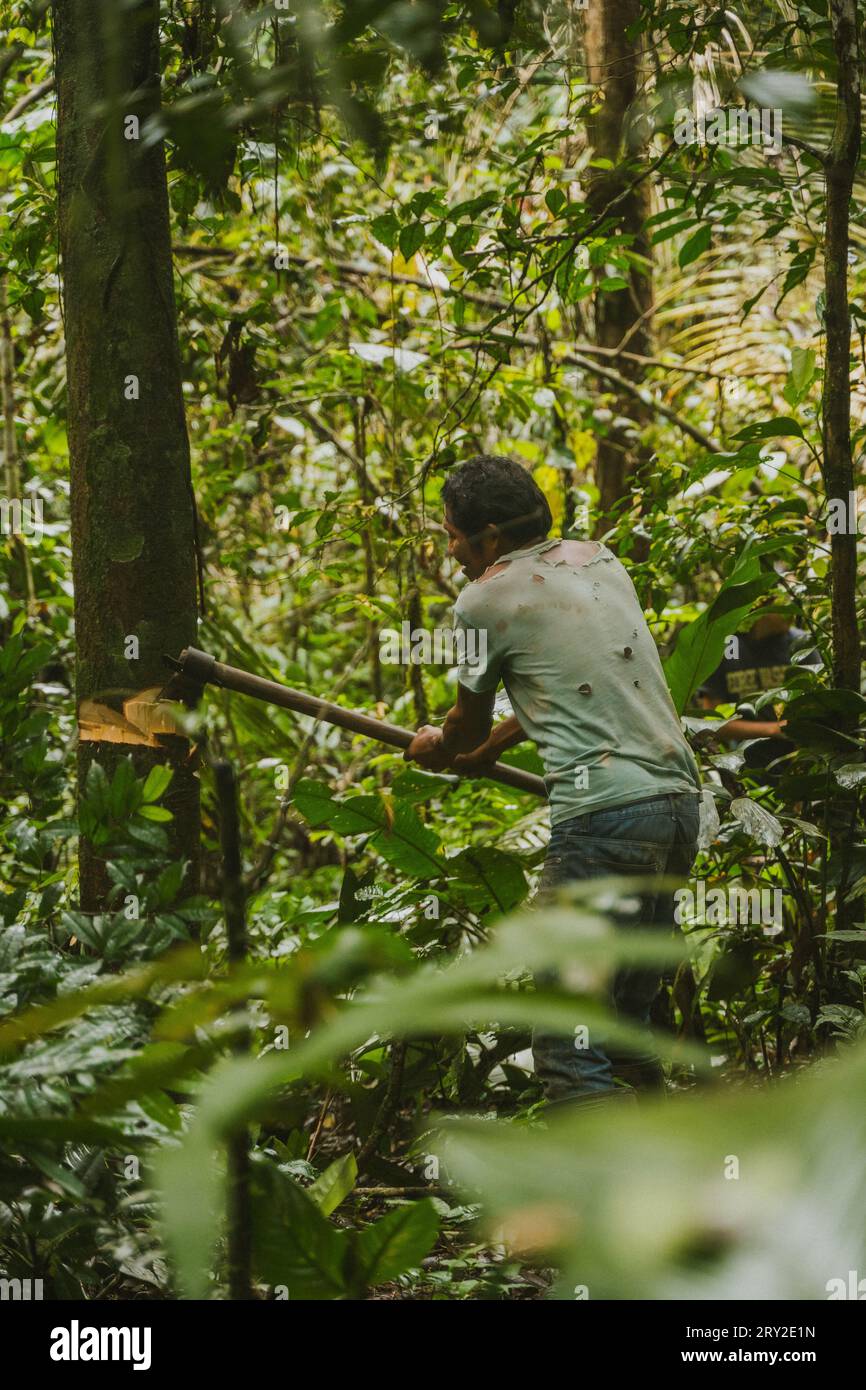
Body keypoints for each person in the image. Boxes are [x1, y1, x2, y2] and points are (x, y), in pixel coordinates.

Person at [405, 454, 702, 1110]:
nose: (451, 551)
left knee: (567, 1035)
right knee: (625, 1017)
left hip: (602, 819)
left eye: (453, 536)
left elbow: (464, 722)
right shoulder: (600, 561)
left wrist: (440, 746)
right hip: (677, 807)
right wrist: (492, 748)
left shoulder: (484, 598)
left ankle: (599, 1196)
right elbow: (581, 678)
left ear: (488, 537)